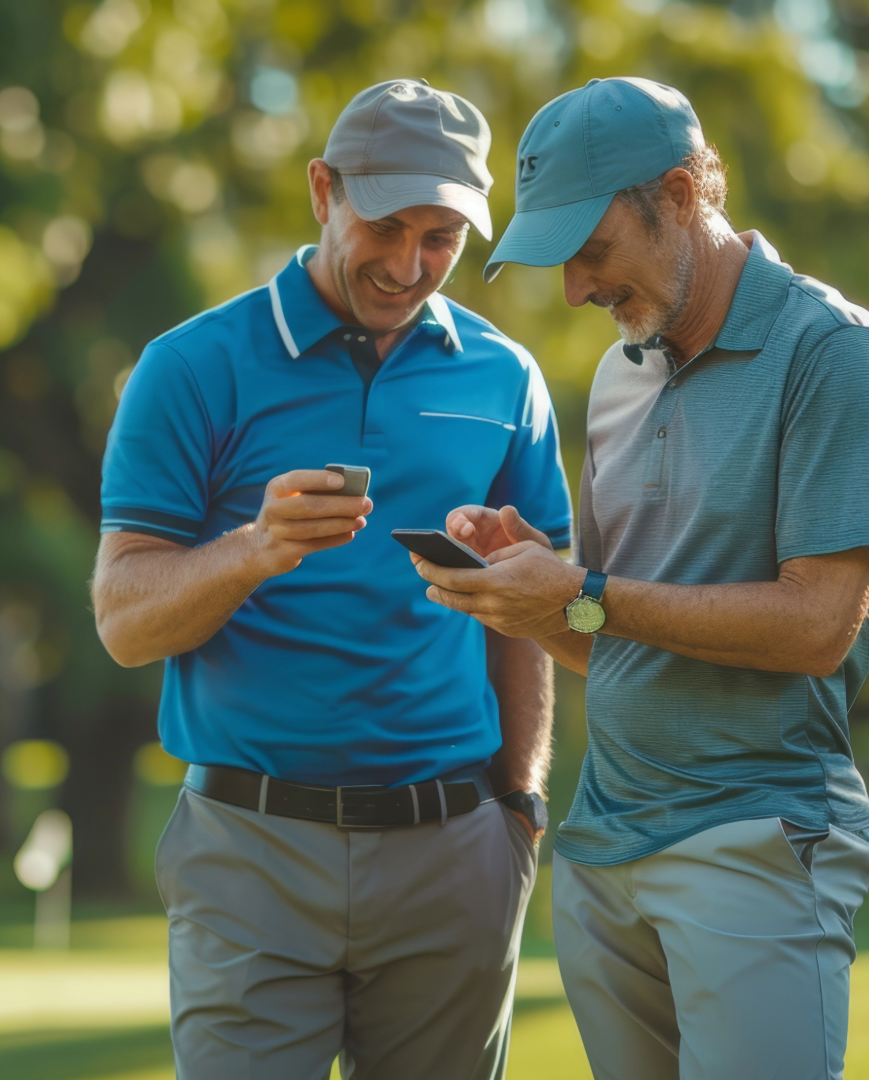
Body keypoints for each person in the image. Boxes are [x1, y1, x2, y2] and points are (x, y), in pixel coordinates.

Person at [411, 77, 869, 1080]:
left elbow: (820, 624)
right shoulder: (619, 375)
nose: (574, 289)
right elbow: (609, 632)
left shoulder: (827, 352)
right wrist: (526, 587)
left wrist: (579, 589)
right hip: (605, 860)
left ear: (682, 196)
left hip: (753, 844)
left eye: (590, 252)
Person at [91, 79, 574, 1080]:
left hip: (453, 854)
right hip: (251, 851)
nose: (409, 266)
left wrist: (519, 810)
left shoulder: (505, 379)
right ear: (323, 191)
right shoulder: (192, 367)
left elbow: (529, 612)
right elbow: (124, 622)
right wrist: (255, 547)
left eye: (440, 236)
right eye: (386, 225)